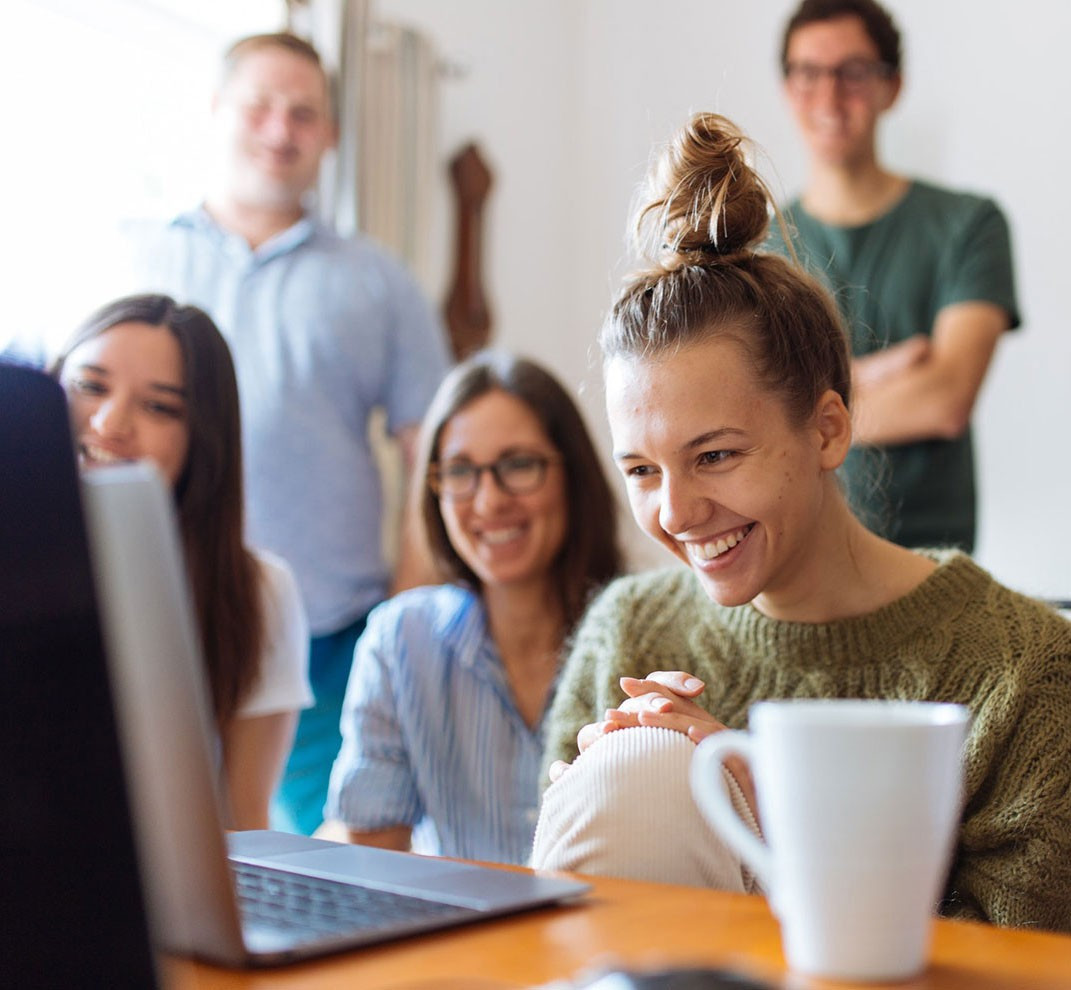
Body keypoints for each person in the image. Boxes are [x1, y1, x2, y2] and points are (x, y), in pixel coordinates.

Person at [530, 113, 1071, 932]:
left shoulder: (1019, 674)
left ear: (826, 429)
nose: (673, 513)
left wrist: (765, 816)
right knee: (639, 766)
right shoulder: (627, 634)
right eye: (640, 470)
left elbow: (1019, 965)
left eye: (714, 456)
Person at [122, 32, 452, 834]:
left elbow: (435, 451)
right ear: (215, 113)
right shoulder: (136, 258)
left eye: (303, 113)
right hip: (150, 621)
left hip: (326, 635)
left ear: (331, 134)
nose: (281, 130)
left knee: (314, 864)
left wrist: (401, 606)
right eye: (260, 107)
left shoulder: (379, 280)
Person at [322, 351, 622, 864]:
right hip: (455, 938)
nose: (488, 502)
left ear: (573, 476)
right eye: (461, 471)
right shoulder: (400, 641)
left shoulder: (643, 633)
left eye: (518, 465)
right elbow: (370, 860)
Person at [52, 293, 312, 830]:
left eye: (159, 407)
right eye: (90, 386)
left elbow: (243, 827)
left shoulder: (255, 591)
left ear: (203, 441)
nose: (110, 422)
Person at [766, 0, 1019, 552]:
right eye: (808, 73)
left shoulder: (968, 225)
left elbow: (945, 398)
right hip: (795, 558)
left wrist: (803, 405)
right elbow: (743, 410)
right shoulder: (759, 249)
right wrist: (879, 373)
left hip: (931, 561)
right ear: (788, 88)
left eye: (852, 73)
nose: (829, 97)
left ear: (892, 86)